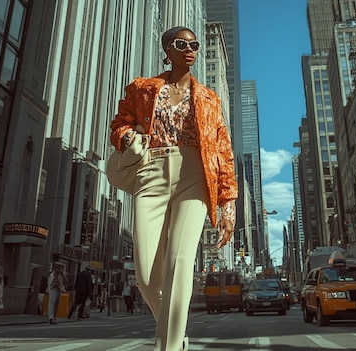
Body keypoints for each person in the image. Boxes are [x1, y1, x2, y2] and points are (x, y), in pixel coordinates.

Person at [109, 26, 237, 351]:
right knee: (146, 276)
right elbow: (120, 121)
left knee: (180, 261)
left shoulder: (209, 98)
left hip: (194, 175)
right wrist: (125, 136)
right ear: (168, 49)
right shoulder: (143, 88)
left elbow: (222, 150)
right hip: (150, 171)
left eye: (195, 44)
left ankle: (166, 347)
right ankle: (177, 338)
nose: (191, 49)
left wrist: (228, 205)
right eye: (183, 44)